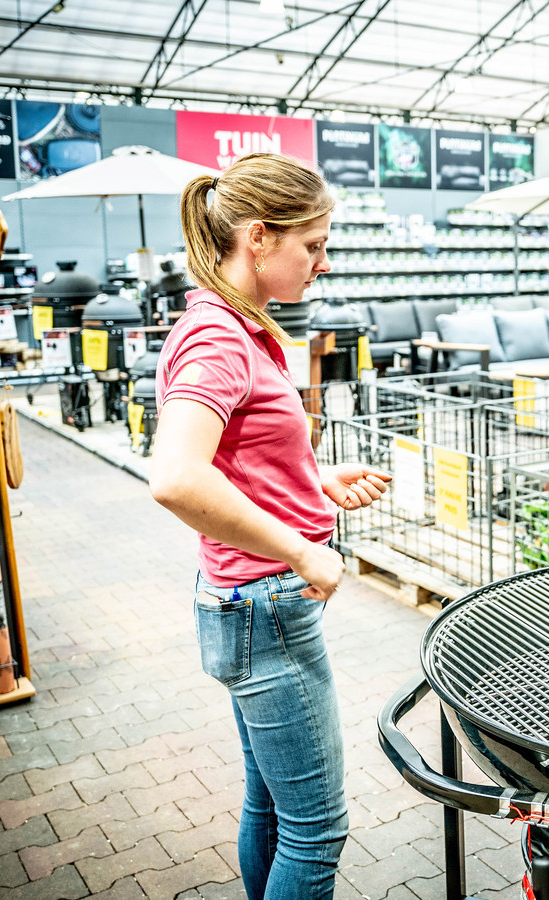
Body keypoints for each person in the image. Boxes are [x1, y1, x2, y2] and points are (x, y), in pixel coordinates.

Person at [149, 152, 391, 900]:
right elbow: (177, 477)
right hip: (266, 604)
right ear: (258, 237)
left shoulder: (232, 327)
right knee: (317, 830)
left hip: (248, 605)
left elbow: (230, 457)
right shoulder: (220, 338)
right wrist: (298, 546)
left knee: (273, 806)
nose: (321, 263)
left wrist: (311, 481)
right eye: (311, 245)